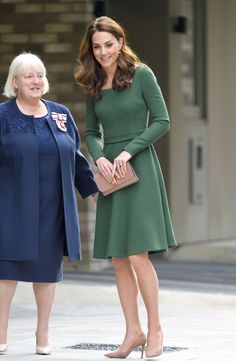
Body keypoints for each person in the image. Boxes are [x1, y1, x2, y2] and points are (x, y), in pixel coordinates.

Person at [75, 16, 177, 359]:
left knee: (137, 254)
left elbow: (163, 121)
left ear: (120, 41)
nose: (103, 52)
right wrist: (100, 156)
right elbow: (90, 132)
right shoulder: (91, 83)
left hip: (140, 167)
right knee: (119, 258)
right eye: (97, 46)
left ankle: (156, 328)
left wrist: (128, 151)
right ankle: (133, 332)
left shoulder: (142, 74)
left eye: (109, 44)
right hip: (111, 173)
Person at [0, 52, 98, 355]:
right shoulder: (3, 116)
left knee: (46, 272)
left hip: (52, 208)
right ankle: (0, 335)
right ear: (14, 82)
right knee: (6, 271)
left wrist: (94, 189)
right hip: (11, 207)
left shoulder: (59, 114)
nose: (36, 81)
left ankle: (42, 334)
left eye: (40, 75)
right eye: (28, 76)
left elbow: (76, 157)